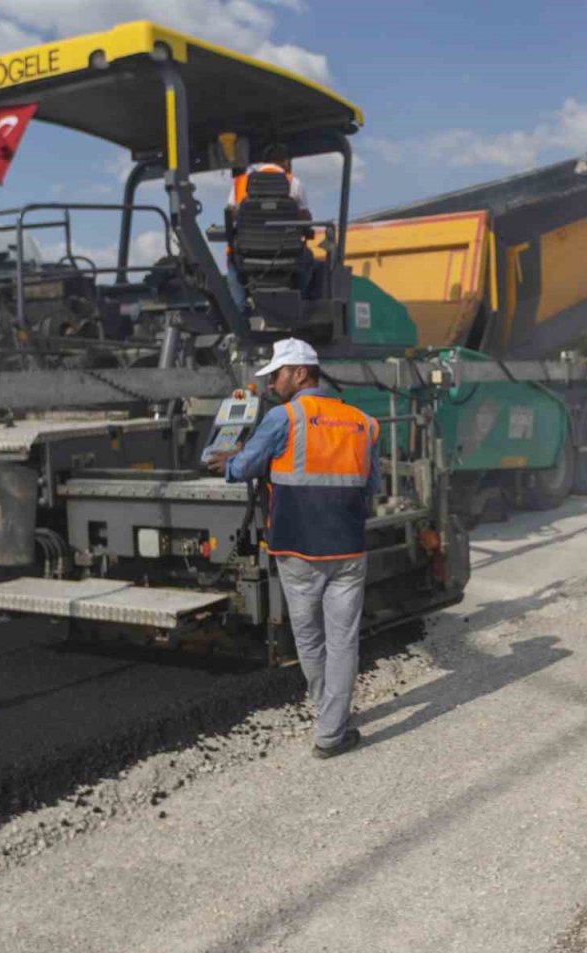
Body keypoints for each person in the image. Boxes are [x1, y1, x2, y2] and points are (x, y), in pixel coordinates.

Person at [204, 338, 380, 759]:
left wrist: (226, 460)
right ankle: (331, 730)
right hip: (347, 549)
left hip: (297, 549)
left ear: (300, 373)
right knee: (343, 642)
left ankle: (327, 718)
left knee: (309, 638)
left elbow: (243, 468)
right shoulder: (364, 422)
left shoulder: (285, 417)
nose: (272, 384)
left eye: (278, 375)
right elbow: (371, 487)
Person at [224, 144, 309, 312]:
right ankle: (300, 304)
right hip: (287, 255)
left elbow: (231, 214)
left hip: (246, 256)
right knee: (309, 261)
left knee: (232, 266)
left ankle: (239, 312)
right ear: (285, 162)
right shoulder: (294, 183)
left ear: (263, 162)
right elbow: (305, 218)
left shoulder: (240, 182)